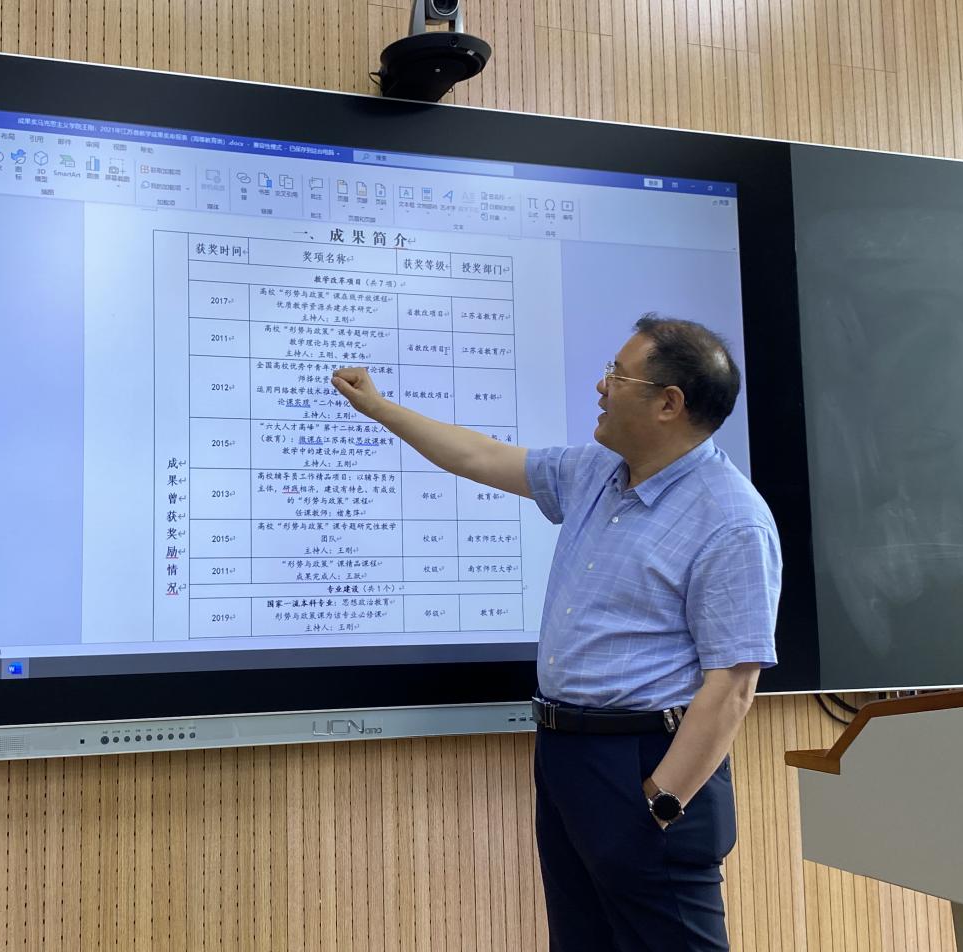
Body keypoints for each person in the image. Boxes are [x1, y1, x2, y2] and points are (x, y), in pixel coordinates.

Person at [331, 313, 781, 951]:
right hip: (567, 754)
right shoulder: (596, 471)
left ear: (669, 404)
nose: (601, 385)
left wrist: (662, 802)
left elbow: (732, 686)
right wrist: (380, 409)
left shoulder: (731, 519)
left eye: (617, 374)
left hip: (648, 762)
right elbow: (480, 456)